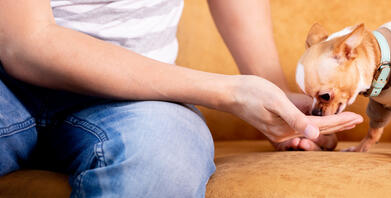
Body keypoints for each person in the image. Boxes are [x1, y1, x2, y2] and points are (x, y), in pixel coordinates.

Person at [0, 0, 363, 197]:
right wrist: (232, 91)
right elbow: (25, 43)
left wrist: (274, 97)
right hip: (8, 86)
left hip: (143, 94)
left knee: (163, 163)